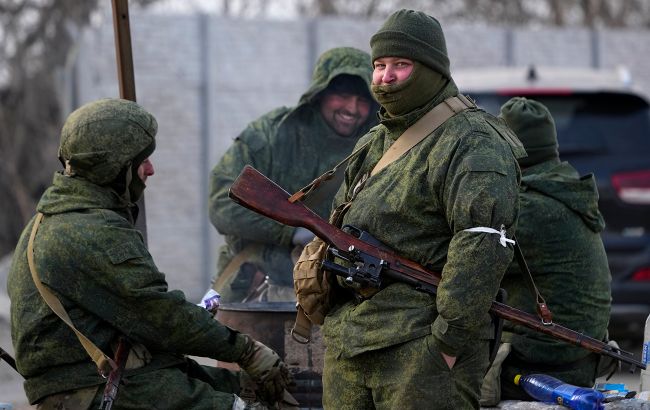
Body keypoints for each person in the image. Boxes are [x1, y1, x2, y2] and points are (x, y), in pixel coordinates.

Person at [7, 99, 291, 410]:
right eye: (142, 160)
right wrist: (247, 351)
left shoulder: (53, 221)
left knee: (254, 390)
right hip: (94, 389)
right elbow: (163, 318)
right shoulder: (89, 230)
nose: (151, 169)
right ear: (115, 168)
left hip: (116, 377)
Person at [317, 9, 525, 409]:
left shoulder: (472, 140)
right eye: (379, 65)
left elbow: (481, 245)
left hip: (419, 351)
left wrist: (445, 344)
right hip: (351, 343)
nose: (386, 77)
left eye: (401, 64)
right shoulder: (375, 140)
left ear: (431, 69)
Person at [208, 46, 378, 303]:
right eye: (342, 96)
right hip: (253, 285)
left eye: (363, 100)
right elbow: (222, 206)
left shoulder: (377, 146)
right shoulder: (271, 135)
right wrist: (293, 230)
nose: (352, 108)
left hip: (338, 294)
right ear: (320, 94)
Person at [493, 97, 612, 401]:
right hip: (576, 361)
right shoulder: (558, 189)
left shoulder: (532, 209)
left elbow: (463, 265)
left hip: (544, 367)